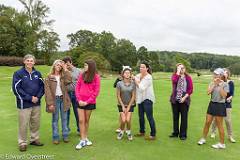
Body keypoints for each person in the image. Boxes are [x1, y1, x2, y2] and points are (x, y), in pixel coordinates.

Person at [12, 54, 44, 152]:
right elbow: (16, 89)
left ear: (34, 62)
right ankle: (22, 142)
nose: (30, 62)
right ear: (24, 61)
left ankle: (34, 139)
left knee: (35, 123)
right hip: (24, 103)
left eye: (32, 61)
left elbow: (42, 87)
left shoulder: (37, 73)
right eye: (28, 60)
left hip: (36, 103)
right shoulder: (18, 73)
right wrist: (30, 98)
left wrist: (37, 97)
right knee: (23, 123)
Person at [198, 68, 229, 149]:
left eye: (217, 74)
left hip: (220, 105)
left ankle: (222, 144)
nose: (215, 75)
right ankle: (203, 138)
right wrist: (215, 84)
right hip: (212, 104)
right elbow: (208, 92)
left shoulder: (225, 84)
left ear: (221, 75)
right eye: (214, 74)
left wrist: (219, 85)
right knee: (207, 122)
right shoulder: (212, 83)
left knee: (219, 125)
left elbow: (224, 96)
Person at [44, 59, 72, 144]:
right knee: (55, 119)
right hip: (54, 100)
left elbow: (69, 80)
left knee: (64, 119)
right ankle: (55, 137)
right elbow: (47, 91)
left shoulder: (63, 76)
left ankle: (65, 135)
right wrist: (50, 103)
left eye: (60, 66)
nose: (59, 67)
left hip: (63, 99)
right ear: (54, 66)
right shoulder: (49, 77)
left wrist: (65, 69)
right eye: (57, 65)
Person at [75, 59, 100, 150]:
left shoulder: (96, 77)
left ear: (91, 66)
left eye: (86, 65)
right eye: (84, 65)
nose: (84, 67)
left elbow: (96, 92)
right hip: (80, 102)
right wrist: (79, 100)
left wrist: (87, 101)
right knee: (81, 120)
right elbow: (77, 88)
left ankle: (85, 137)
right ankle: (82, 140)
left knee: (86, 120)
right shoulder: (82, 75)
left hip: (89, 102)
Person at [210, 68, 236, 143]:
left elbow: (232, 94)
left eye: (226, 73)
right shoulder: (218, 81)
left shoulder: (230, 82)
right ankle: (213, 132)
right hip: (219, 103)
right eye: (223, 72)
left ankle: (230, 136)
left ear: (228, 74)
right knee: (215, 119)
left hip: (227, 104)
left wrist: (229, 98)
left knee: (228, 120)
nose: (224, 74)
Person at [169, 63, 193, 140]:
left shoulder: (188, 77)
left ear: (185, 69)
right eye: (179, 68)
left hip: (184, 100)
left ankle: (183, 135)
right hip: (175, 100)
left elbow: (190, 89)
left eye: (182, 68)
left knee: (184, 117)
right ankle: (175, 133)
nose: (182, 69)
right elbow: (174, 81)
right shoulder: (175, 76)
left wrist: (184, 98)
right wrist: (178, 72)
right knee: (175, 117)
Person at [134, 62, 156, 140]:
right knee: (141, 116)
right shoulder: (137, 76)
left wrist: (136, 81)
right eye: (140, 67)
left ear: (147, 68)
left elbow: (142, 87)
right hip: (140, 99)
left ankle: (153, 134)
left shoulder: (149, 77)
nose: (141, 68)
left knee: (149, 117)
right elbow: (133, 81)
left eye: (143, 67)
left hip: (147, 99)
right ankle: (142, 131)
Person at [62, 56, 81, 134]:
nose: (67, 66)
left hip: (76, 94)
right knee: (66, 113)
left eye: (68, 64)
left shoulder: (79, 71)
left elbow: (82, 83)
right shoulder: (62, 71)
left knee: (77, 112)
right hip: (66, 94)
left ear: (71, 62)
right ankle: (66, 130)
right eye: (65, 65)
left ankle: (79, 129)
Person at [116, 67, 136, 141]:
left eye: (129, 73)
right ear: (123, 74)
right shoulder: (119, 83)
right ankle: (121, 131)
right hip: (121, 105)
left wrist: (128, 107)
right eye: (126, 73)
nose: (127, 74)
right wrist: (123, 106)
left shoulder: (133, 84)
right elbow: (118, 95)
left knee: (128, 120)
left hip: (130, 105)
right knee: (123, 120)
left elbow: (133, 96)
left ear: (131, 74)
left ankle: (128, 131)